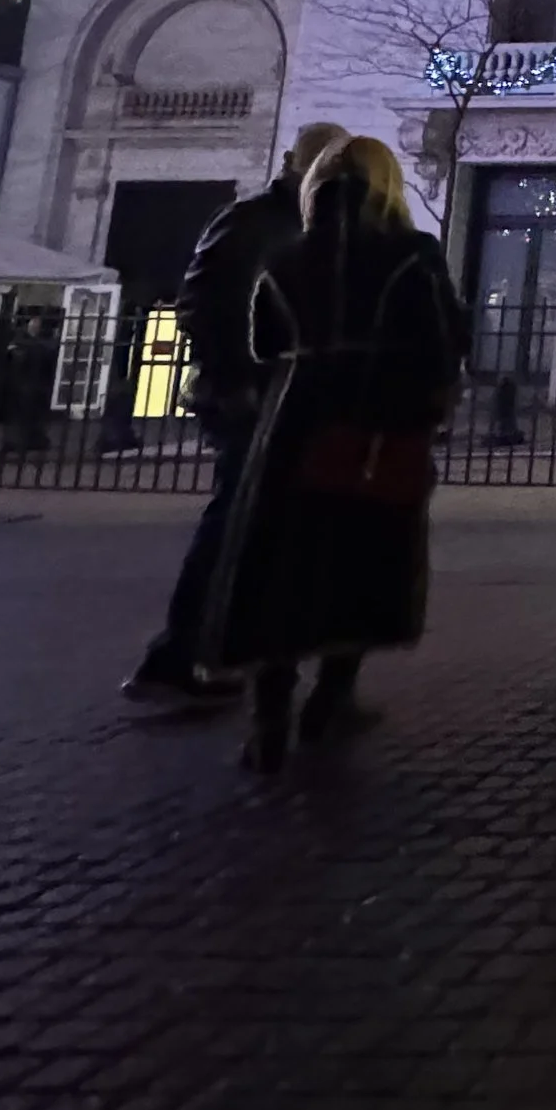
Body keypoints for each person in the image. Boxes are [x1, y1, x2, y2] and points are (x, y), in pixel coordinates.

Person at [204, 135, 468, 774]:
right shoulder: (411, 255)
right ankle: (332, 695)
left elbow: (265, 344)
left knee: (281, 560)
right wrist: (428, 402)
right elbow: (441, 339)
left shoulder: (287, 256)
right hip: (379, 413)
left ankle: (269, 719)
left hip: (296, 419)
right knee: (364, 547)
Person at [123, 121, 349, 709]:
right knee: (234, 526)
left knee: (264, 531)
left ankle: (221, 647)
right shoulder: (252, 221)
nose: (330, 173)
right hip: (252, 399)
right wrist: (232, 380)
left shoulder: (309, 226)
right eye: (323, 161)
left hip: (288, 399)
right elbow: (201, 302)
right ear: (296, 163)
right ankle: (176, 655)